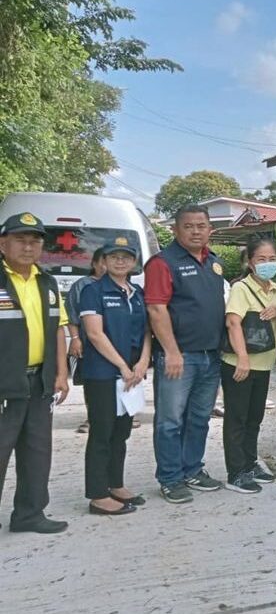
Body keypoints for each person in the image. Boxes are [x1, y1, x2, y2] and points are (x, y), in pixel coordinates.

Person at [145, 204, 227, 504]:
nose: (196, 231)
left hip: (210, 356)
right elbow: (156, 308)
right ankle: (169, 478)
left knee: (199, 419)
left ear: (210, 230)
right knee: (170, 421)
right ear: (175, 229)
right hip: (179, 357)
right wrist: (171, 351)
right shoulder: (162, 263)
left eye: (201, 226)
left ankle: (192, 469)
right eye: (189, 226)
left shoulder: (214, 263)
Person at [0, 212, 70, 533]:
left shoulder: (47, 281)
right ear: (3, 244)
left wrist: (60, 373)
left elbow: (58, 329)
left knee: (37, 453)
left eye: (35, 241)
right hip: (5, 384)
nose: (28, 247)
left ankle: (29, 514)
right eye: (20, 240)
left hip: (39, 382)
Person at [79, 236, 150, 515]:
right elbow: (95, 334)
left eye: (126, 257)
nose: (120, 261)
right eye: (114, 256)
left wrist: (143, 362)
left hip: (131, 375)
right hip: (103, 374)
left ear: (133, 262)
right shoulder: (93, 292)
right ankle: (98, 495)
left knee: (121, 432)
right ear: (103, 261)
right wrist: (123, 366)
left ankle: (115, 484)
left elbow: (147, 331)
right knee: (102, 432)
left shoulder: (137, 293)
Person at [221, 237, 276, 494]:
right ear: (249, 262)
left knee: (254, 418)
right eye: (261, 259)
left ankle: (249, 463)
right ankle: (235, 473)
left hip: (264, 364)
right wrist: (243, 358)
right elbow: (233, 323)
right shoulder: (241, 289)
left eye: (271, 259)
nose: (267, 264)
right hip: (240, 364)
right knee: (237, 418)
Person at [65, 248, 105, 434]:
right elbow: (72, 314)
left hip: (118, 344)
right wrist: (75, 339)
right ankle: (93, 417)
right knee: (92, 381)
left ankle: (125, 415)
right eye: (102, 262)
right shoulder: (82, 285)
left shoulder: (123, 285)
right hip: (89, 343)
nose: (106, 266)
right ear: (94, 264)